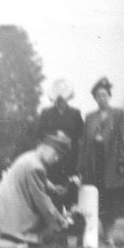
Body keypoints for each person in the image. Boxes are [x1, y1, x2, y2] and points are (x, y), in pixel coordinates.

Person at [0, 134, 72, 247]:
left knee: (39, 236)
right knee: (28, 243)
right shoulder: (36, 166)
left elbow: (39, 179)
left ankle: (11, 234)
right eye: (55, 153)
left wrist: (52, 187)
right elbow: (41, 200)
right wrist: (59, 220)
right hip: (13, 210)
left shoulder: (31, 156)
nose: (57, 159)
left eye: (60, 156)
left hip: (6, 204)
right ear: (43, 148)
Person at [78, 77, 124, 246]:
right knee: (96, 199)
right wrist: (81, 165)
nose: (102, 98)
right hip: (94, 164)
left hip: (112, 164)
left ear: (109, 96)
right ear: (95, 98)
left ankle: (109, 235)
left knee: (111, 199)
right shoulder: (89, 117)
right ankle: (97, 232)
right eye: (98, 95)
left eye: (105, 95)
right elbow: (84, 142)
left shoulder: (119, 113)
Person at [37, 79, 84, 211]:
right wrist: (54, 137)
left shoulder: (75, 113)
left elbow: (81, 136)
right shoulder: (46, 113)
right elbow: (39, 135)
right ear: (54, 100)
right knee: (52, 192)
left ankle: (70, 220)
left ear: (67, 99)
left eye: (62, 101)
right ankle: (53, 220)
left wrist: (68, 139)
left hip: (70, 159)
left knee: (70, 191)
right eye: (57, 101)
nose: (60, 103)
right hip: (52, 159)